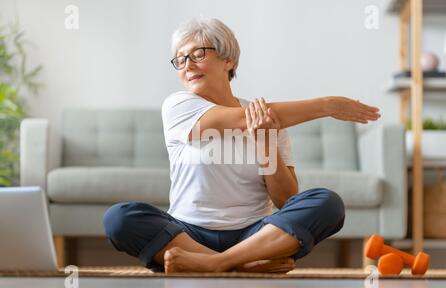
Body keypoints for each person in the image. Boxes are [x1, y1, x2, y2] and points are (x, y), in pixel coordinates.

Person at [103, 18, 381, 273]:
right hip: (187, 234)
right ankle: (242, 265)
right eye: (180, 59)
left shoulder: (270, 121)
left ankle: (216, 264)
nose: (187, 64)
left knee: (328, 203)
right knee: (119, 218)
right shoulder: (177, 106)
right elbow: (240, 119)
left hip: (254, 235)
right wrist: (327, 105)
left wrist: (265, 145)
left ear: (228, 60)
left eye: (198, 54)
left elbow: (286, 201)